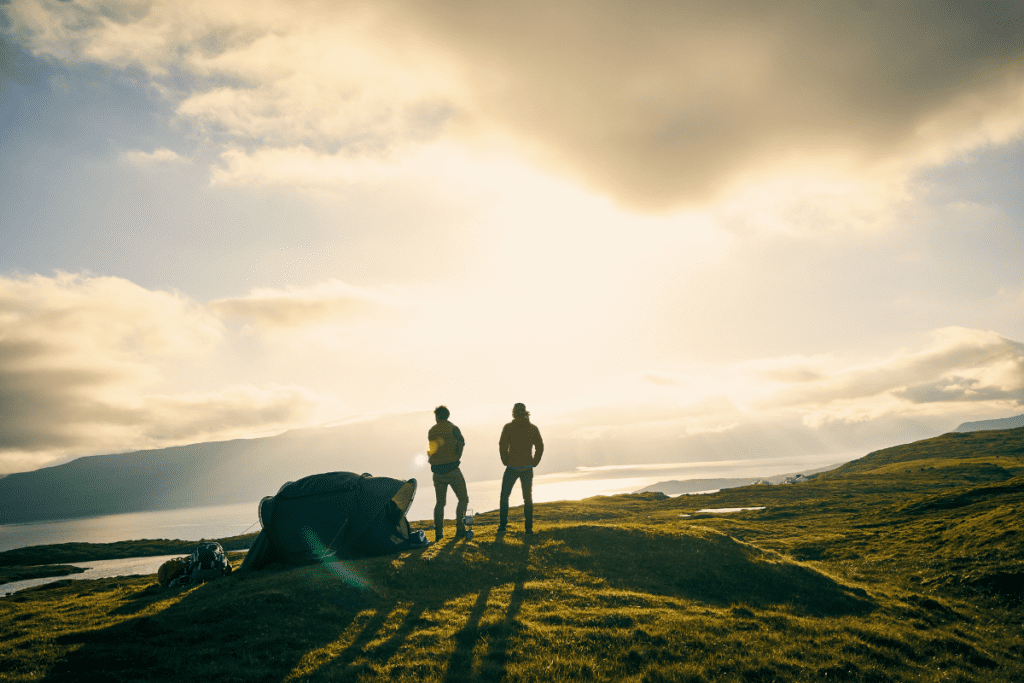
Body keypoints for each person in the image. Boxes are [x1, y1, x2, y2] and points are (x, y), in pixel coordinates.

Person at [498, 402, 544, 535]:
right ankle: (528, 528)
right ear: (525, 412)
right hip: (527, 467)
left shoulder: (508, 427)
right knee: (527, 498)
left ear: (514, 412)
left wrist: (505, 460)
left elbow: (502, 445)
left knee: (504, 496)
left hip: (512, 466)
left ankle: (502, 526)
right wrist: (534, 462)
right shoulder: (532, 428)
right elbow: (540, 446)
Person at [428, 405, 469, 542]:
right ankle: (460, 528)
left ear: (437, 416)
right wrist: (458, 455)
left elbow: (433, 448)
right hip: (452, 469)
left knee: (440, 503)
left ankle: (439, 534)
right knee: (463, 498)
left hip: (437, 471)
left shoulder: (432, 431)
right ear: (447, 415)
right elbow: (462, 442)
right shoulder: (453, 428)